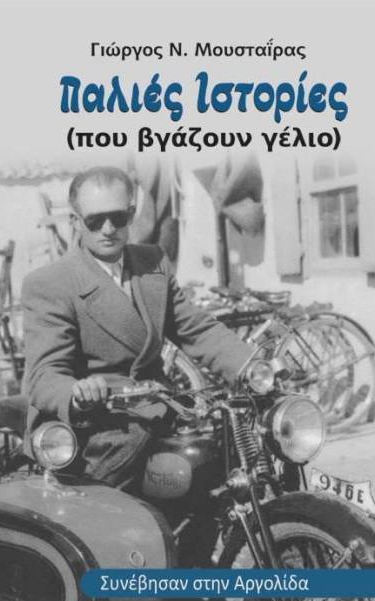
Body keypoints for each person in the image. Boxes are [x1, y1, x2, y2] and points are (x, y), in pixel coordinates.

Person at [22, 166, 253, 492]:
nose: (108, 229)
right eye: (94, 220)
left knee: (221, 462)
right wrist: (78, 393)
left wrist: (250, 365)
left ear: (131, 214)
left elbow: (195, 329)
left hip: (158, 409)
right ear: (75, 221)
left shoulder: (152, 262)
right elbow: (44, 375)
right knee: (110, 513)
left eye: (118, 218)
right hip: (96, 428)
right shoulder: (50, 283)